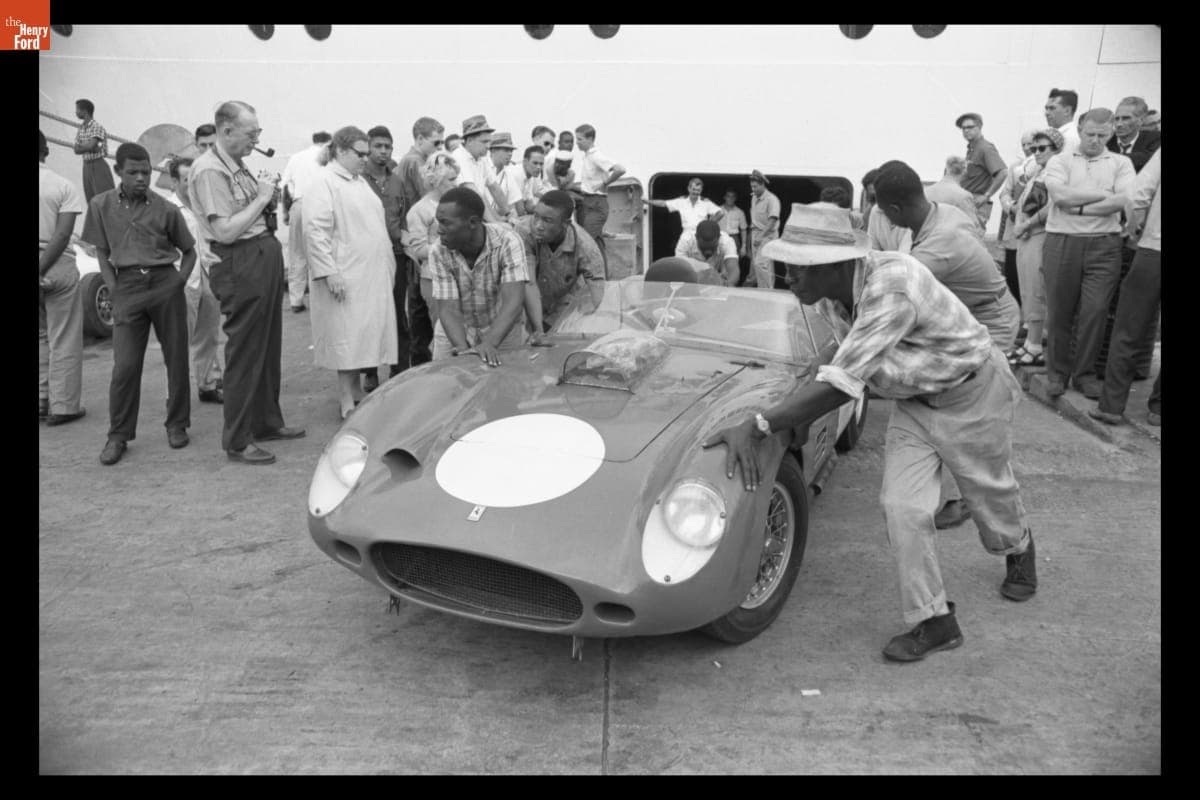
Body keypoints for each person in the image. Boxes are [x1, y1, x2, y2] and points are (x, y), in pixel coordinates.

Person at [702, 202, 1036, 663]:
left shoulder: (891, 286)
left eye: (799, 269)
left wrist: (760, 424)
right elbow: (839, 357)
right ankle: (935, 620)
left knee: (989, 494)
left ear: (837, 265)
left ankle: (1018, 546)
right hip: (916, 402)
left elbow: (841, 385)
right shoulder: (834, 296)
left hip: (973, 393)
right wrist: (792, 413)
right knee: (902, 507)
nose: (789, 278)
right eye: (788, 267)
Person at [874, 161, 1022, 531]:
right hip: (965, 314)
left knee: (976, 414)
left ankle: (973, 499)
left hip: (990, 320)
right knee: (947, 404)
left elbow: (896, 285)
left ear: (895, 209)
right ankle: (956, 488)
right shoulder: (942, 213)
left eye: (884, 213)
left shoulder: (937, 247)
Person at [189, 100, 305, 466]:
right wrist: (263, 197)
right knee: (245, 351)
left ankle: (265, 421)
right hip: (239, 259)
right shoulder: (209, 170)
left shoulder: (235, 163)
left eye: (258, 133)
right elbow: (224, 230)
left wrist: (264, 195)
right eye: (251, 134)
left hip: (259, 253)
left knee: (267, 345)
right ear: (226, 130)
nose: (256, 141)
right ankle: (238, 440)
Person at [83, 143, 196, 465]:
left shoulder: (166, 209)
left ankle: (177, 424)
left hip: (164, 283)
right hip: (127, 286)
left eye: (145, 172)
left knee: (176, 358)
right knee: (125, 366)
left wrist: (177, 282)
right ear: (118, 171)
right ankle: (118, 435)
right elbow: (102, 251)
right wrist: (114, 289)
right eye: (133, 172)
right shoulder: (101, 205)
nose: (141, 178)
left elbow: (189, 251)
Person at [304, 126, 400, 420]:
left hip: (369, 273)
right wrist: (328, 272)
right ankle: (346, 398)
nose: (365, 159)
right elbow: (315, 230)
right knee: (347, 337)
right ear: (342, 151)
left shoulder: (358, 182)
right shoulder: (324, 182)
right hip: (345, 274)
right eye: (360, 154)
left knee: (364, 335)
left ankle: (357, 390)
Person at [1041, 108, 1136, 400]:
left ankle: (1084, 374)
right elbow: (1060, 196)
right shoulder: (1060, 161)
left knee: (1095, 311)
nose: (1095, 140)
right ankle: (1057, 373)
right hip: (1062, 241)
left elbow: (1124, 199)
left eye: (1102, 135)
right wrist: (1105, 195)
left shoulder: (1121, 163)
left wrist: (1079, 207)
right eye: (1090, 134)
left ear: (1111, 133)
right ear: (1080, 130)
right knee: (1060, 311)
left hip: (1104, 245)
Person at [1089, 148, 1161, 427]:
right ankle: (1158, 408)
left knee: (1128, 329)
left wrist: (1134, 228)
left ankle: (1111, 405)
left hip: (1153, 249)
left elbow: (1137, 194)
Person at [429, 187, 530, 365]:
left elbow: (513, 301)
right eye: (438, 222)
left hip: (501, 326)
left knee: (505, 378)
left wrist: (489, 344)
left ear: (473, 222)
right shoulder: (438, 250)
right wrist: (463, 350)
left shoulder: (508, 241)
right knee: (448, 377)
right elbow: (448, 308)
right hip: (456, 327)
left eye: (445, 223)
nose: (439, 230)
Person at [167, 157, 225, 404]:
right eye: (185, 179)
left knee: (209, 334)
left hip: (208, 274)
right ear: (174, 181)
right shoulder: (168, 209)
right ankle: (175, 394)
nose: (191, 184)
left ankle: (208, 383)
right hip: (182, 278)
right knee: (179, 339)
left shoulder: (203, 205)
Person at [1007, 129, 1066, 369]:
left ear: (1056, 149)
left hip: (1039, 235)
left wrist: (1027, 224)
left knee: (1036, 290)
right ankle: (1030, 342)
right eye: (1034, 148)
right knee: (1027, 289)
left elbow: (1051, 205)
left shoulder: (1056, 172)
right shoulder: (1038, 171)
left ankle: (1035, 345)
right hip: (1026, 236)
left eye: (1042, 148)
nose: (1037, 152)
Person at [39, 130, 86, 426]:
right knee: (64, 336)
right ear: (46, 151)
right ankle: (64, 406)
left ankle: (41, 399)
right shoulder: (62, 185)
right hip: (56, 264)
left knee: (40, 336)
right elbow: (63, 234)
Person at [359, 124, 410, 389]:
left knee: (397, 313)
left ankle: (400, 370)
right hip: (367, 257)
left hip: (396, 254)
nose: (383, 151)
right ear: (368, 148)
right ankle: (369, 370)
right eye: (377, 146)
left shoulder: (397, 181)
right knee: (370, 315)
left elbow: (404, 218)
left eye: (387, 147)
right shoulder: (358, 180)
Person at [514, 189, 605, 330]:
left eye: (547, 221)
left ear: (565, 223)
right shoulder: (523, 232)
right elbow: (529, 283)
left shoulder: (586, 247)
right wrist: (539, 331)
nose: (538, 225)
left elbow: (598, 294)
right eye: (536, 216)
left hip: (563, 304)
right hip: (527, 301)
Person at [395, 117, 445, 369]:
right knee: (422, 315)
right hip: (419, 241)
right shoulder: (416, 162)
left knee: (419, 313)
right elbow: (427, 197)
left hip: (415, 238)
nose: (439, 148)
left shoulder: (412, 160)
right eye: (436, 143)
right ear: (420, 139)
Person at [403, 153, 460, 348]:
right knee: (443, 331)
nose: (455, 184)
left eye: (456, 178)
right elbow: (418, 249)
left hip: (459, 274)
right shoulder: (419, 210)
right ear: (436, 180)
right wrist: (450, 245)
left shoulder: (456, 204)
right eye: (451, 179)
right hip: (434, 278)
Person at [280, 131, 333, 312]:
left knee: (297, 253)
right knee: (323, 251)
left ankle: (296, 300)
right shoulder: (328, 157)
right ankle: (322, 299)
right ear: (328, 142)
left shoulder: (296, 157)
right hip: (322, 204)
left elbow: (285, 186)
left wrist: (286, 212)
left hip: (299, 204)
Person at [570, 124, 626, 268]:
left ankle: (589, 276)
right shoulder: (587, 156)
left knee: (585, 242)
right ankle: (603, 277)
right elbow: (588, 185)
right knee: (597, 243)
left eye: (580, 139)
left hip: (596, 204)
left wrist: (605, 182)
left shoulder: (596, 156)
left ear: (590, 139)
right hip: (588, 201)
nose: (577, 143)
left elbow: (620, 169)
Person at [997, 131, 1042, 309]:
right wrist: (1011, 207)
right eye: (1023, 144)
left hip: (1033, 229)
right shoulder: (1015, 167)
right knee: (1011, 273)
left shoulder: (1043, 167)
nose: (1027, 148)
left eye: (1030, 143)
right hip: (1013, 228)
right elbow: (1004, 193)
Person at [452, 115, 510, 222]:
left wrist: (508, 214)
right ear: (470, 140)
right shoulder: (459, 157)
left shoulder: (481, 159)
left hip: (476, 215)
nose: (488, 146)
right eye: (484, 142)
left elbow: (494, 188)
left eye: (489, 142)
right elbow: (474, 195)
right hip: (462, 218)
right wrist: (495, 224)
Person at [955, 112, 1007, 230]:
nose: (966, 131)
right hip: (968, 203)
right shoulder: (972, 149)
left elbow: (1003, 172)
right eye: (963, 128)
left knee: (971, 238)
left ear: (979, 127)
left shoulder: (985, 148)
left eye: (970, 127)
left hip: (976, 204)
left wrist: (986, 196)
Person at [644, 177, 724, 242]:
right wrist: (647, 201)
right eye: (693, 189)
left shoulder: (706, 202)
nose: (696, 192)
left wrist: (708, 225)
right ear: (689, 188)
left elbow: (721, 213)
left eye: (698, 190)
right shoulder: (681, 201)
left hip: (701, 236)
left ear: (701, 190)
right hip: (686, 236)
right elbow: (663, 203)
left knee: (700, 257)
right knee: (682, 256)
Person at [925, 156, 985, 237]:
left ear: (946, 170)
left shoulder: (926, 192)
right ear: (964, 171)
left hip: (926, 240)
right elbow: (973, 229)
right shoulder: (964, 196)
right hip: (949, 241)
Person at [73, 99, 115, 202]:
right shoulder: (81, 128)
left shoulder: (97, 127)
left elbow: (91, 146)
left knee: (104, 199)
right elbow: (76, 150)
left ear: (84, 111)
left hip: (98, 165)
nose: (76, 112)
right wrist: (88, 145)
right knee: (91, 200)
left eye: (77, 109)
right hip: (86, 166)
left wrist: (85, 145)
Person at [675, 219, 739, 285]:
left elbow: (733, 269)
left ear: (719, 238)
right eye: (704, 247)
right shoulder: (686, 240)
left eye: (712, 247)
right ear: (696, 237)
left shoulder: (727, 242)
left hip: (717, 281)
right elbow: (679, 267)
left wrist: (729, 284)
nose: (708, 252)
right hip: (691, 280)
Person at [1107, 97, 1161, 173]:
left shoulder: (1155, 138)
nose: (1119, 124)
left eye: (1126, 118)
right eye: (1116, 119)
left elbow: (1150, 158)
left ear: (1141, 120)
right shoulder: (1106, 141)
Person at [746, 169, 781, 288]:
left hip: (767, 235)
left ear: (762, 185)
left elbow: (772, 220)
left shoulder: (772, 199)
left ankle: (766, 291)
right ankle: (765, 289)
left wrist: (761, 236)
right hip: (755, 234)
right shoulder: (754, 198)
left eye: (755, 187)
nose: (753, 189)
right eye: (752, 186)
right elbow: (754, 220)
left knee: (761, 264)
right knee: (758, 266)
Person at [488, 132, 523, 223]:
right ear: (493, 151)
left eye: (511, 151)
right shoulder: (483, 167)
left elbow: (516, 201)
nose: (510, 154)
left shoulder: (508, 173)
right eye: (506, 150)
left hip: (499, 220)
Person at [718, 188, 750, 285]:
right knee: (720, 263)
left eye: (733, 197)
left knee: (732, 264)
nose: (730, 198)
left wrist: (744, 246)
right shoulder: (717, 210)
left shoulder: (739, 212)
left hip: (734, 239)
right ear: (724, 197)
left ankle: (731, 286)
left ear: (735, 198)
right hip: (720, 237)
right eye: (728, 196)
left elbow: (743, 229)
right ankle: (720, 285)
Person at [510, 146, 550, 217]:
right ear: (525, 162)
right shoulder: (516, 174)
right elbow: (520, 211)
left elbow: (529, 206)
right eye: (535, 163)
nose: (539, 167)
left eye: (541, 164)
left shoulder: (530, 176)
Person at [1045, 88, 1081, 154]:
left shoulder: (1071, 137)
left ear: (1067, 111)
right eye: (1046, 108)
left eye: (1052, 108)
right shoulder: (1054, 135)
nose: (1046, 113)